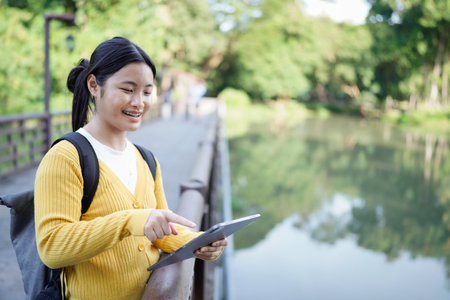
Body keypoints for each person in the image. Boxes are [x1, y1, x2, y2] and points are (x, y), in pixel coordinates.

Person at [34, 36, 227, 300]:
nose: (139, 102)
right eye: (128, 90)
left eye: (147, 92)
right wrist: (130, 221)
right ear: (94, 85)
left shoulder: (147, 159)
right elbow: (52, 246)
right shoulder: (66, 157)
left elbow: (161, 232)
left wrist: (199, 242)